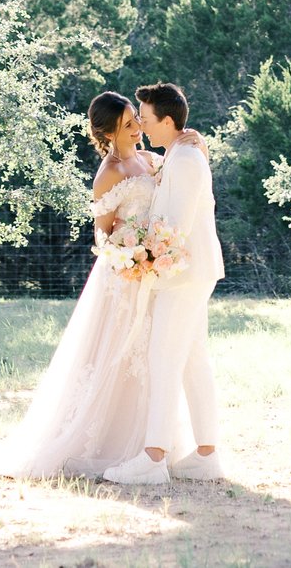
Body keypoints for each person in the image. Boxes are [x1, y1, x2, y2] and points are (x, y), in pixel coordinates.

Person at [0, 92, 163, 477]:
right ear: (107, 133)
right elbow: (103, 236)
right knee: (114, 354)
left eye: (136, 119)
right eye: (127, 125)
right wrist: (130, 253)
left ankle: (149, 444)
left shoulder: (151, 160)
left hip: (152, 273)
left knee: (148, 355)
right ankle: (104, 443)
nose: (137, 127)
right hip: (122, 276)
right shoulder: (109, 174)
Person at [103, 81, 225, 486]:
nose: (142, 126)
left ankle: (154, 459)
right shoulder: (180, 152)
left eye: (146, 119)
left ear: (168, 120)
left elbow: (174, 227)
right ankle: (207, 456)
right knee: (191, 358)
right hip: (188, 272)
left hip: (182, 275)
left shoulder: (187, 157)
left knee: (164, 359)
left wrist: (144, 257)